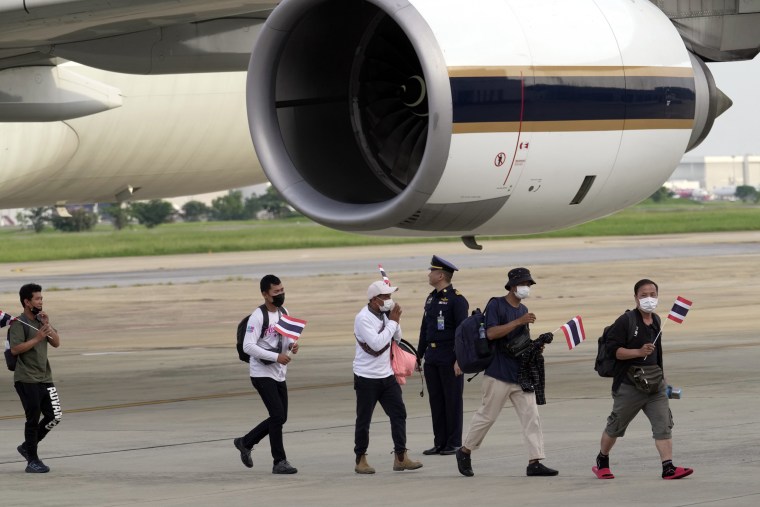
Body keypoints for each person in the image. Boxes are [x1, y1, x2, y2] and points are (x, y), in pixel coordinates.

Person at [456, 268, 558, 478]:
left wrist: (536, 346)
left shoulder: (524, 309)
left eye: (529, 284)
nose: (526, 288)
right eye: (523, 284)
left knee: (532, 417)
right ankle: (465, 451)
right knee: (487, 416)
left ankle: (535, 461)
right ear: (511, 286)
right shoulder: (496, 305)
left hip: (520, 374)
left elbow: (522, 342)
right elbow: (491, 333)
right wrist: (519, 322)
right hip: (498, 373)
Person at [593, 279, 693, 480]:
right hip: (630, 385)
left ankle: (668, 467)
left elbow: (658, 354)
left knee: (663, 424)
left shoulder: (656, 320)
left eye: (653, 294)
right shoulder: (626, 321)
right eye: (644, 295)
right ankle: (602, 460)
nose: (649, 299)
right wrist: (638, 351)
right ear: (636, 298)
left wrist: (664, 379)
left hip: (655, 385)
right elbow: (614, 352)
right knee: (616, 426)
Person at [353, 280, 423, 474]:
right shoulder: (363, 318)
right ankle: (360, 459)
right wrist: (393, 322)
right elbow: (376, 344)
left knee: (399, 413)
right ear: (374, 300)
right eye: (385, 297)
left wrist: (394, 322)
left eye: (390, 297)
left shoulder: (385, 315)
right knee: (364, 419)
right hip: (366, 376)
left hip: (387, 374)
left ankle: (401, 457)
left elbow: (397, 338)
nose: (389, 300)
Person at [233, 274, 299, 474]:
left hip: (279, 372)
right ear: (265, 294)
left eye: (282, 290)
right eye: (276, 292)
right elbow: (248, 346)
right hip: (261, 372)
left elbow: (285, 339)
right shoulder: (258, 316)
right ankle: (279, 461)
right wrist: (275, 356)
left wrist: (292, 346)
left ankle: (246, 442)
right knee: (277, 415)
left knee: (281, 417)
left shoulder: (283, 312)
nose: (281, 294)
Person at [417, 255, 469, 455]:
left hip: (450, 357)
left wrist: (460, 359)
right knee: (436, 401)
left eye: (432, 271)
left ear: (440, 275)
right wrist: (418, 354)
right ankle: (440, 442)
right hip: (432, 356)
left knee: (452, 400)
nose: (429, 274)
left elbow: (462, 333)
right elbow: (425, 329)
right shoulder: (431, 298)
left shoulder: (457, 300)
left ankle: (454, 442)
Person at [8, 283, 62, 474]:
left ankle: (27, 447)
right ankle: (32, 460)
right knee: (32, 419)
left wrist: (47, 325)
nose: (41, 301)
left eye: (41, 298)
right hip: (26, 378)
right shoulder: (18, 324)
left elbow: (56, 342)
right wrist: (37, 338)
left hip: (45, 377)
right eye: (37, 298)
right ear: (27, 302)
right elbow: (15, 349)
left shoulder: (41, 321)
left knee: (55, 415)